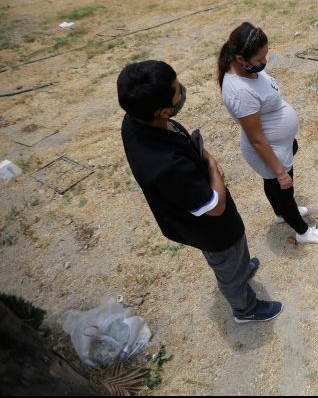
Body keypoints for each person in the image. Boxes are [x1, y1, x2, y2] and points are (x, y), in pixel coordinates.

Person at [118, 60, 282, 323]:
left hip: (204, 208)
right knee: (226, 259)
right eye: (175, 90)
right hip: (210, 228)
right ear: (162, 111)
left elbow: (183, 141)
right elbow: (215, 206)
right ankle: (244, 308)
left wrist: (203, 154)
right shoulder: (165, 166)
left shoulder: (137, 120)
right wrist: (214, 170)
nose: (181, 90)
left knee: (236, 251)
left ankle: (240, 269)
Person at [217, 22, 318, 245]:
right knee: (283, 187)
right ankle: (303, 231)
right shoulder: (239, 92)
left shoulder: (247, 69)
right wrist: (280, 171)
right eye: (259, 59)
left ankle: (281, 213)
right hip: (268, 149)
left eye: (265, 56)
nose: (264, 62)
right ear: (240, 59)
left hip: (277, 145)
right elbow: (257, 140)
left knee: (277, 187)